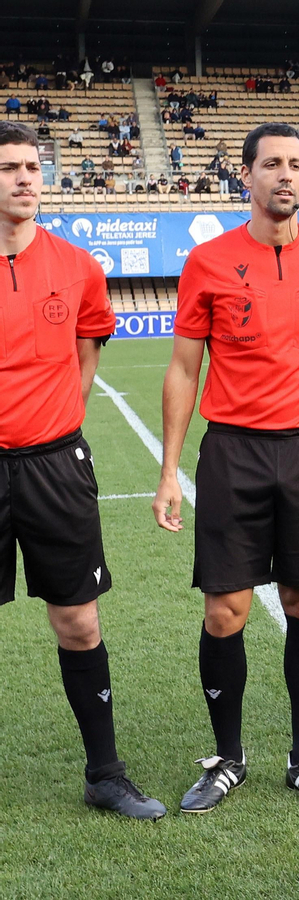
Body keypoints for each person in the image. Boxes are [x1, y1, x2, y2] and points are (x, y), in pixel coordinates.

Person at [152, 122, 299, 814]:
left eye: (298, 164)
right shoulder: (209, 263)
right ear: (244, 177)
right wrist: (168, 470)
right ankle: (227, 758)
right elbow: (185, 370)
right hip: (233, 452)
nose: (287, 175)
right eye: (272, 164)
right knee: (226, 610)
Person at [0, 122, 166, 820]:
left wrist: (57, 410)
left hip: (54, 465)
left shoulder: (76, 266)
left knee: (78, 621)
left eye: (33, 166)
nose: (25, 179)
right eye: (9, 168)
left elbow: (88, 347)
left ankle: (105, 773)